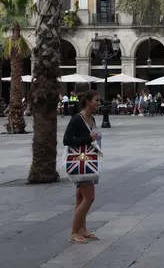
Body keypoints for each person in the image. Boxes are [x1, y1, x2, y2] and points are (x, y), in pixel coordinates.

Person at [62, 90, 102, 244]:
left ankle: (82, 229)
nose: (99, 103)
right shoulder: (77, 119)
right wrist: (88, 138)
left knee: (80, 197)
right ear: (88, 101)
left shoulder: (90, 118)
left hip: (88, 162)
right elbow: (67, 140)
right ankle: (74, 232)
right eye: (96, 100)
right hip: (81, 163)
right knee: (89, 198)